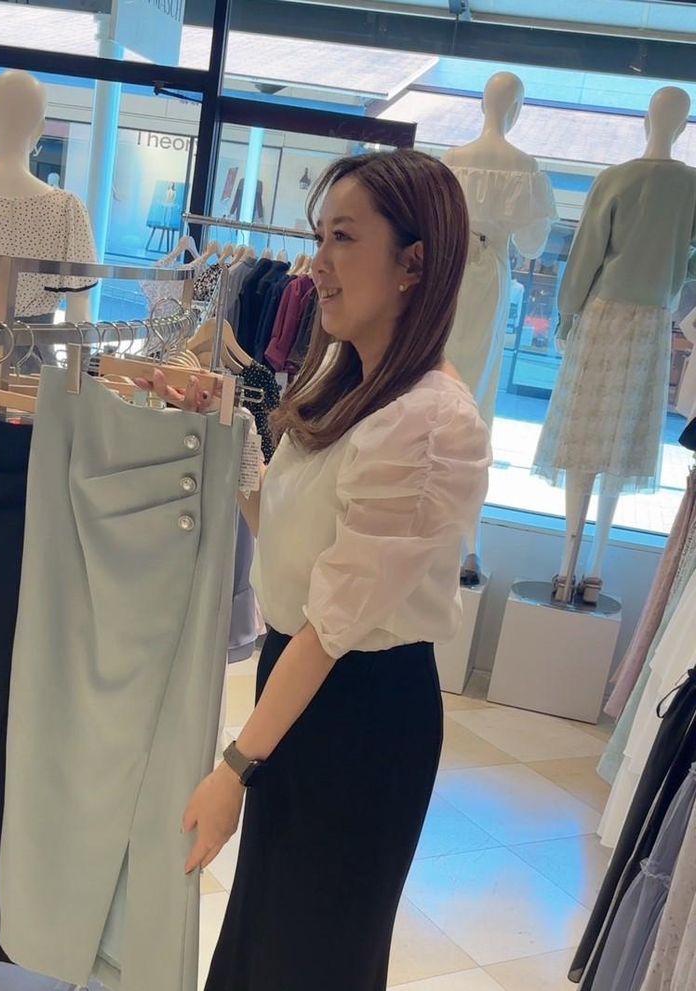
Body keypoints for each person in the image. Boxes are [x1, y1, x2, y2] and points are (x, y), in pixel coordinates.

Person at [137, 149, 491, 990]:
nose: (318, 264)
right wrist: (226, 435)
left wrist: (235, 767)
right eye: (319, 236)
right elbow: (288, 543)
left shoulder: (429, 423)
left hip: (362, 716)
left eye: (343, 238)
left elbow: (334, 625)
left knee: (310, 955)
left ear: (414, 263)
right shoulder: (351, 385)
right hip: (302, 689)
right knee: (268, 940)